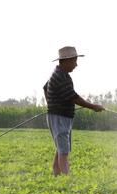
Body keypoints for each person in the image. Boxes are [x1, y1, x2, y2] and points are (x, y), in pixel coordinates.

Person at [43, 46, 104, 176]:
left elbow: (45, 87)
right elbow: (73, 97)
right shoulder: (60, 76)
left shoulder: (59, 73)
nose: (76, 65)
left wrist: (52, 104)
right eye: (74, 61)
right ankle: (67, 180)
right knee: (63, 151)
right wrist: (93, 106)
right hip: (59, 117)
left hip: (61, 116)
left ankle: (56, 176)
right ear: (66, 61)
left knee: (60, 149)